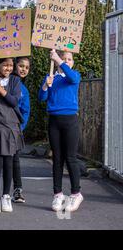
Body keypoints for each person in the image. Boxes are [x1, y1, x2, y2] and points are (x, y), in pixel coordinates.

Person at [38, 49, 83, 212]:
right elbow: (41, 98)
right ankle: (58, 194)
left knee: (70, 158)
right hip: (54, 121)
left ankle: (76, 193)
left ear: (72, 62)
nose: (66, 61)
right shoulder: (51, 77)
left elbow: (71, 76)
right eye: (64, 58)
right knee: (57, 159)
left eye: (69, 59)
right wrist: (45, 85)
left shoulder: (74, 76)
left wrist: (58, 59)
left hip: (70, 120)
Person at [0, 56, 31, 203]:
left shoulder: (16, 83)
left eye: (11, 65)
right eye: (6, 65)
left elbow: (19, 105)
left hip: (13, 128)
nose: (9, 68)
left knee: (12, 161)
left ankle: (14, 192)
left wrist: (20, 128)